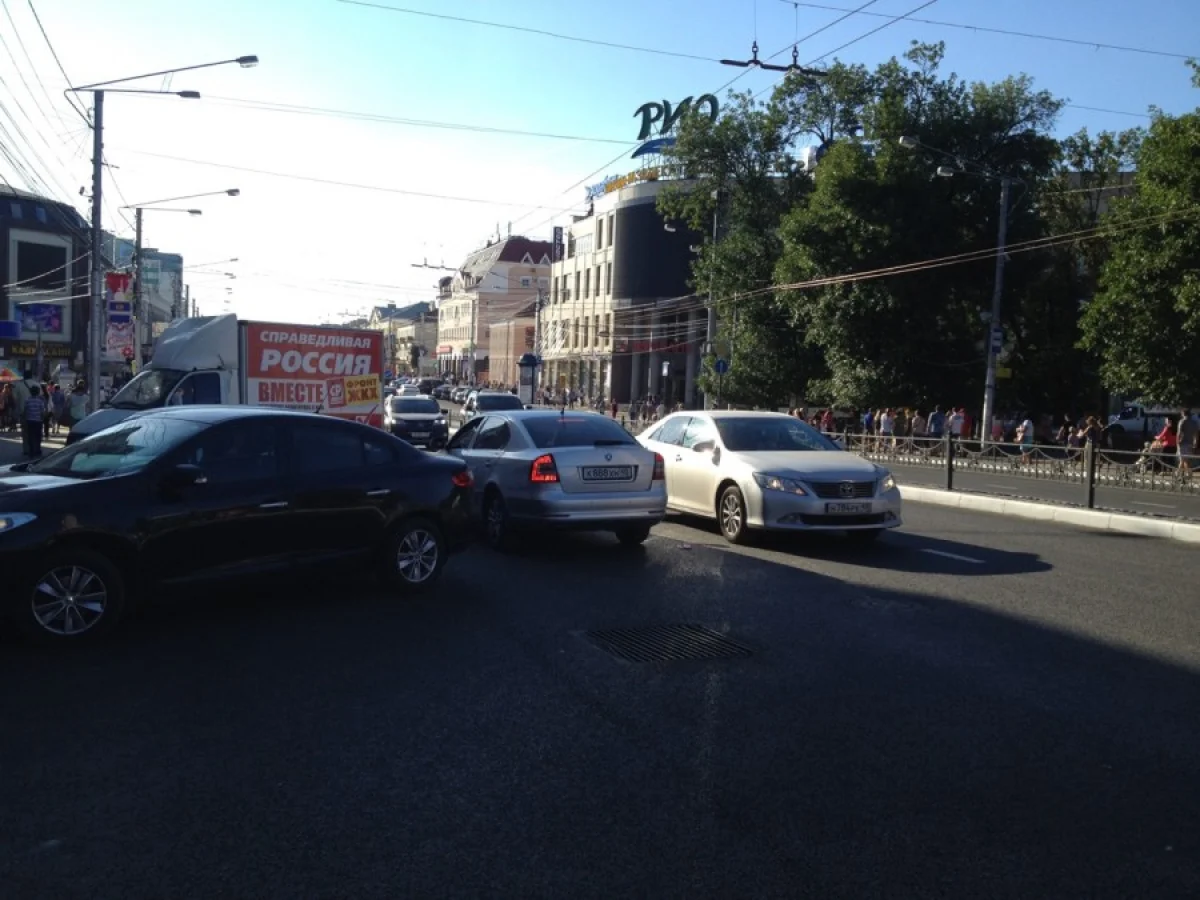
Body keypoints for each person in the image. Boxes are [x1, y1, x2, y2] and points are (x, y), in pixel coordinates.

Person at [23, 384, 45, 457]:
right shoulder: (40, 401)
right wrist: (42, 419)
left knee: (30, 436)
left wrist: (25, 419)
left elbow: (25, 411)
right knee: (38, 436)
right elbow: (42, 412)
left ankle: (31, 450)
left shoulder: (27, 400)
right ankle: (38, 450)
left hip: (30, 420)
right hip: (38, 421)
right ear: (38, 392)